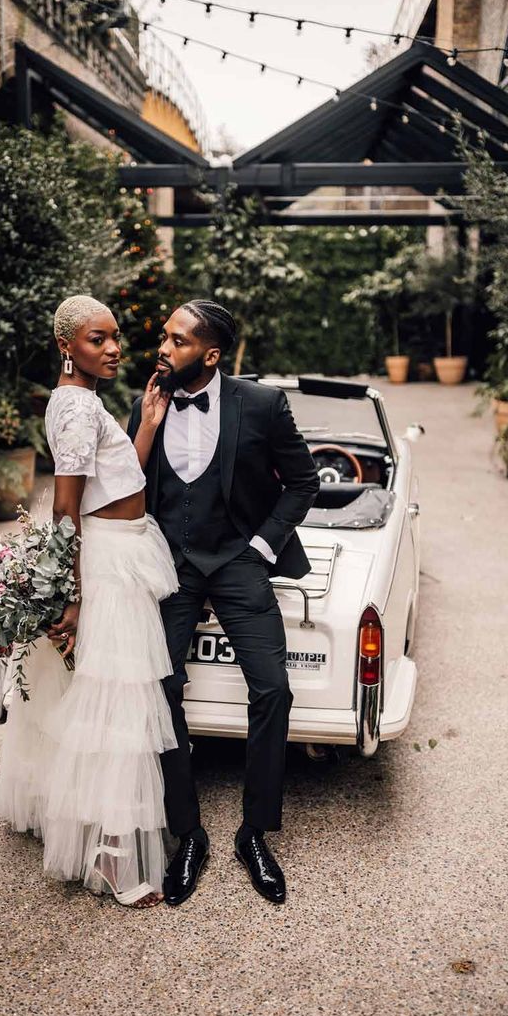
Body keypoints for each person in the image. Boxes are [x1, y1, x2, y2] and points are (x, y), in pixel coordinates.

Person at [127, 300, 320, 906]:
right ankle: (188, 833)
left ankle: (255, 832)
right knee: (160, 688)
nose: (163, 347)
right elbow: (128, 486)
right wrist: (148, 426)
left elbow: (304, 482)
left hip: (238, 561)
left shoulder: (260, 405)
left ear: (210, 355)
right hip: (173, 567)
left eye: (177, 341)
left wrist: (262, 547)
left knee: (273, 689)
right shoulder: (146, 403)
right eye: (164, 336)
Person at [0, 295, 175, 908]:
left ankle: (99, 838)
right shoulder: (73, 407)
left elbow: (116, 483)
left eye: (116, 336)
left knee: (102, 707)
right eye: (98, 339)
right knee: (119, 712)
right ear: (67, 346)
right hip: (106, 568)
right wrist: (72, 599)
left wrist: (146, 425)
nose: (114, 347)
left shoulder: (85, 402)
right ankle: (116, 861)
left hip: (122, 549)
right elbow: (66, 508)